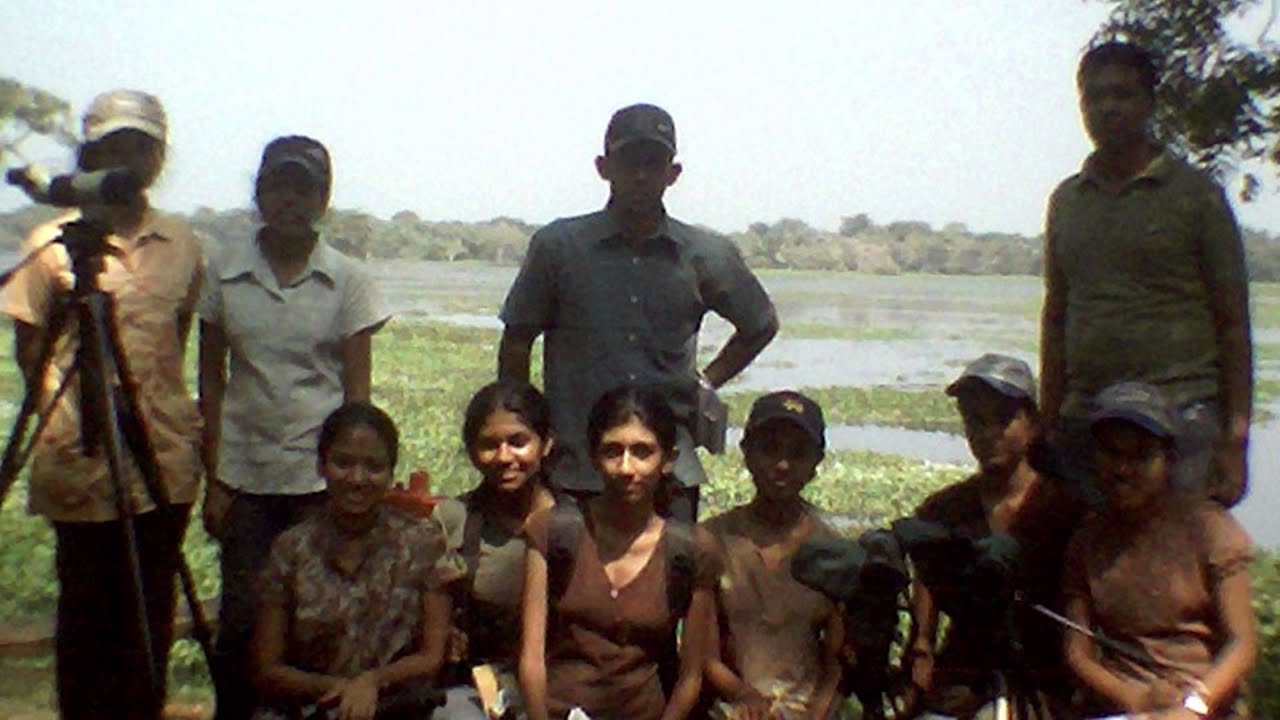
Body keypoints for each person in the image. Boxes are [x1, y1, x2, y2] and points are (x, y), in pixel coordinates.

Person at [0, 89, 202, 720]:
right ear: (89, 153)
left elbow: (179, 340)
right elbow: (31, 354)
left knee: (148, 627)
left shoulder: (183, 245)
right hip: (79, 468)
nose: (128, 159)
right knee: (85, 630)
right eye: (113, 145)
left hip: (161, 464)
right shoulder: (51, 245)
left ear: (159, 158)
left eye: (141, 146)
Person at [498, 103, 778, 522]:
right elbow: (517, 341)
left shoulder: (705, 254)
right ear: (603, 166)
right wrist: (524, 432)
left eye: (654, 162)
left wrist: (707, 380)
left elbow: (760, 324)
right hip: (576, 470)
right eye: (629, 160)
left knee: (673, 582)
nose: (641, 174)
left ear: (673, 173)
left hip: (668, 472)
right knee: (567, 582)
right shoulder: (560, 247)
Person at [198, 135, 390, 720]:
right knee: (241, 625)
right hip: (246, 478)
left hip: (319, 484)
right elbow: (212, 380)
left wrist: (356, 483)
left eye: (304, 188)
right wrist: (215, 478)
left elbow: (356, 396)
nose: (291, 200)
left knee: (322, 623)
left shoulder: (348, 280)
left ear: (323, 199)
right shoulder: (224, 274)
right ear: (259, 192)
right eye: (279, 186)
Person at [1040, 40, 1252, 508]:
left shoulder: (1196, 197)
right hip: (1088, 418)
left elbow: (1233, 324)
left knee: (1175, 570)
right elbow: (1056, 316)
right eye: (1094, 97)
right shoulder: (1067, 201)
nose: (1107, 108)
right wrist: (1047, 418)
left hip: (1181, 419)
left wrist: (1235, 439)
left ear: (1150, 103)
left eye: (1122, 94)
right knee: (1083, 567)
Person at [518, 386, 719, 720]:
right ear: (594, 457)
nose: (627, 468)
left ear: (668, 460)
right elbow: (532, 659)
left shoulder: (690, 550)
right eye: (613, 451)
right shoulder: (553, 530)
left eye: (642, 452)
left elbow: (691, 676)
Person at [250, 402, 460, 720]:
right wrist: (342, 691)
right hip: (312, 706)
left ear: (391, 473)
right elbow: (268, 667)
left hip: (399, 705)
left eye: (373, 466)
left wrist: (373, 682)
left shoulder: (422, 542)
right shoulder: (292, 548)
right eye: (343, 463)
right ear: (321, 466)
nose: (357, 479)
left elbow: (431, 655)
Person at [1063, 381, 1256, 719]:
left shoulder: (1211, 528)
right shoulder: (1088, 538)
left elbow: (1243, 644)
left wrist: (1194, 705)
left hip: (1204, 702)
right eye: (1112, 453)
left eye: (1141, 455)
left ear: (1168, 459)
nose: (1123, 470)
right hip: (1124, 705)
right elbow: (1077, 652)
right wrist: (1132, 698)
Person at [906, 354, 1083, 719]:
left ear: (1032, 425)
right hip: (965, 674)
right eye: (975, 420)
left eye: (1002, 420)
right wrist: (921, 647)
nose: (988, 434)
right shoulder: (944, 510)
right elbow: (927, 580)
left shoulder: (1066, 510)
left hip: (1048, 677)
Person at [702, 390, 845, 719]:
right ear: (747, 453)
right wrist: (745, 697)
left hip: (807, 709)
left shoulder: (834, 551)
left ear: (815, 464)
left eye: (797, 454)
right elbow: (703, 657)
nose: (782, 465)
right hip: (731, 709)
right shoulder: (712, 540)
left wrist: (818, 713)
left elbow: (836, 665)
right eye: (769, 449)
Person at [432, 380, 558, 719]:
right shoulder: (451, 521)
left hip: (558, 683)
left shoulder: (573, 524)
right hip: (475, 685)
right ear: (472, 450)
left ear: (546, 443)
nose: (504, 457)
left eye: (518, 442)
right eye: (489, 444)